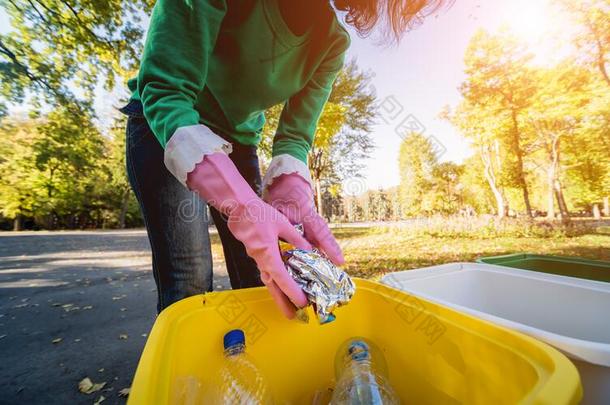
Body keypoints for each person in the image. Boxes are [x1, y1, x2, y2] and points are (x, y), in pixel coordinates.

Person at [120, 0, 449, 318]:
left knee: (264, 275)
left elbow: (295, 137)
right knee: (188, 275)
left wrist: (291, 191)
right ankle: (185, 371)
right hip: (164, 123)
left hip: (238, 139)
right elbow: (166, 90)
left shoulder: (332, 43)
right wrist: (242, 206)